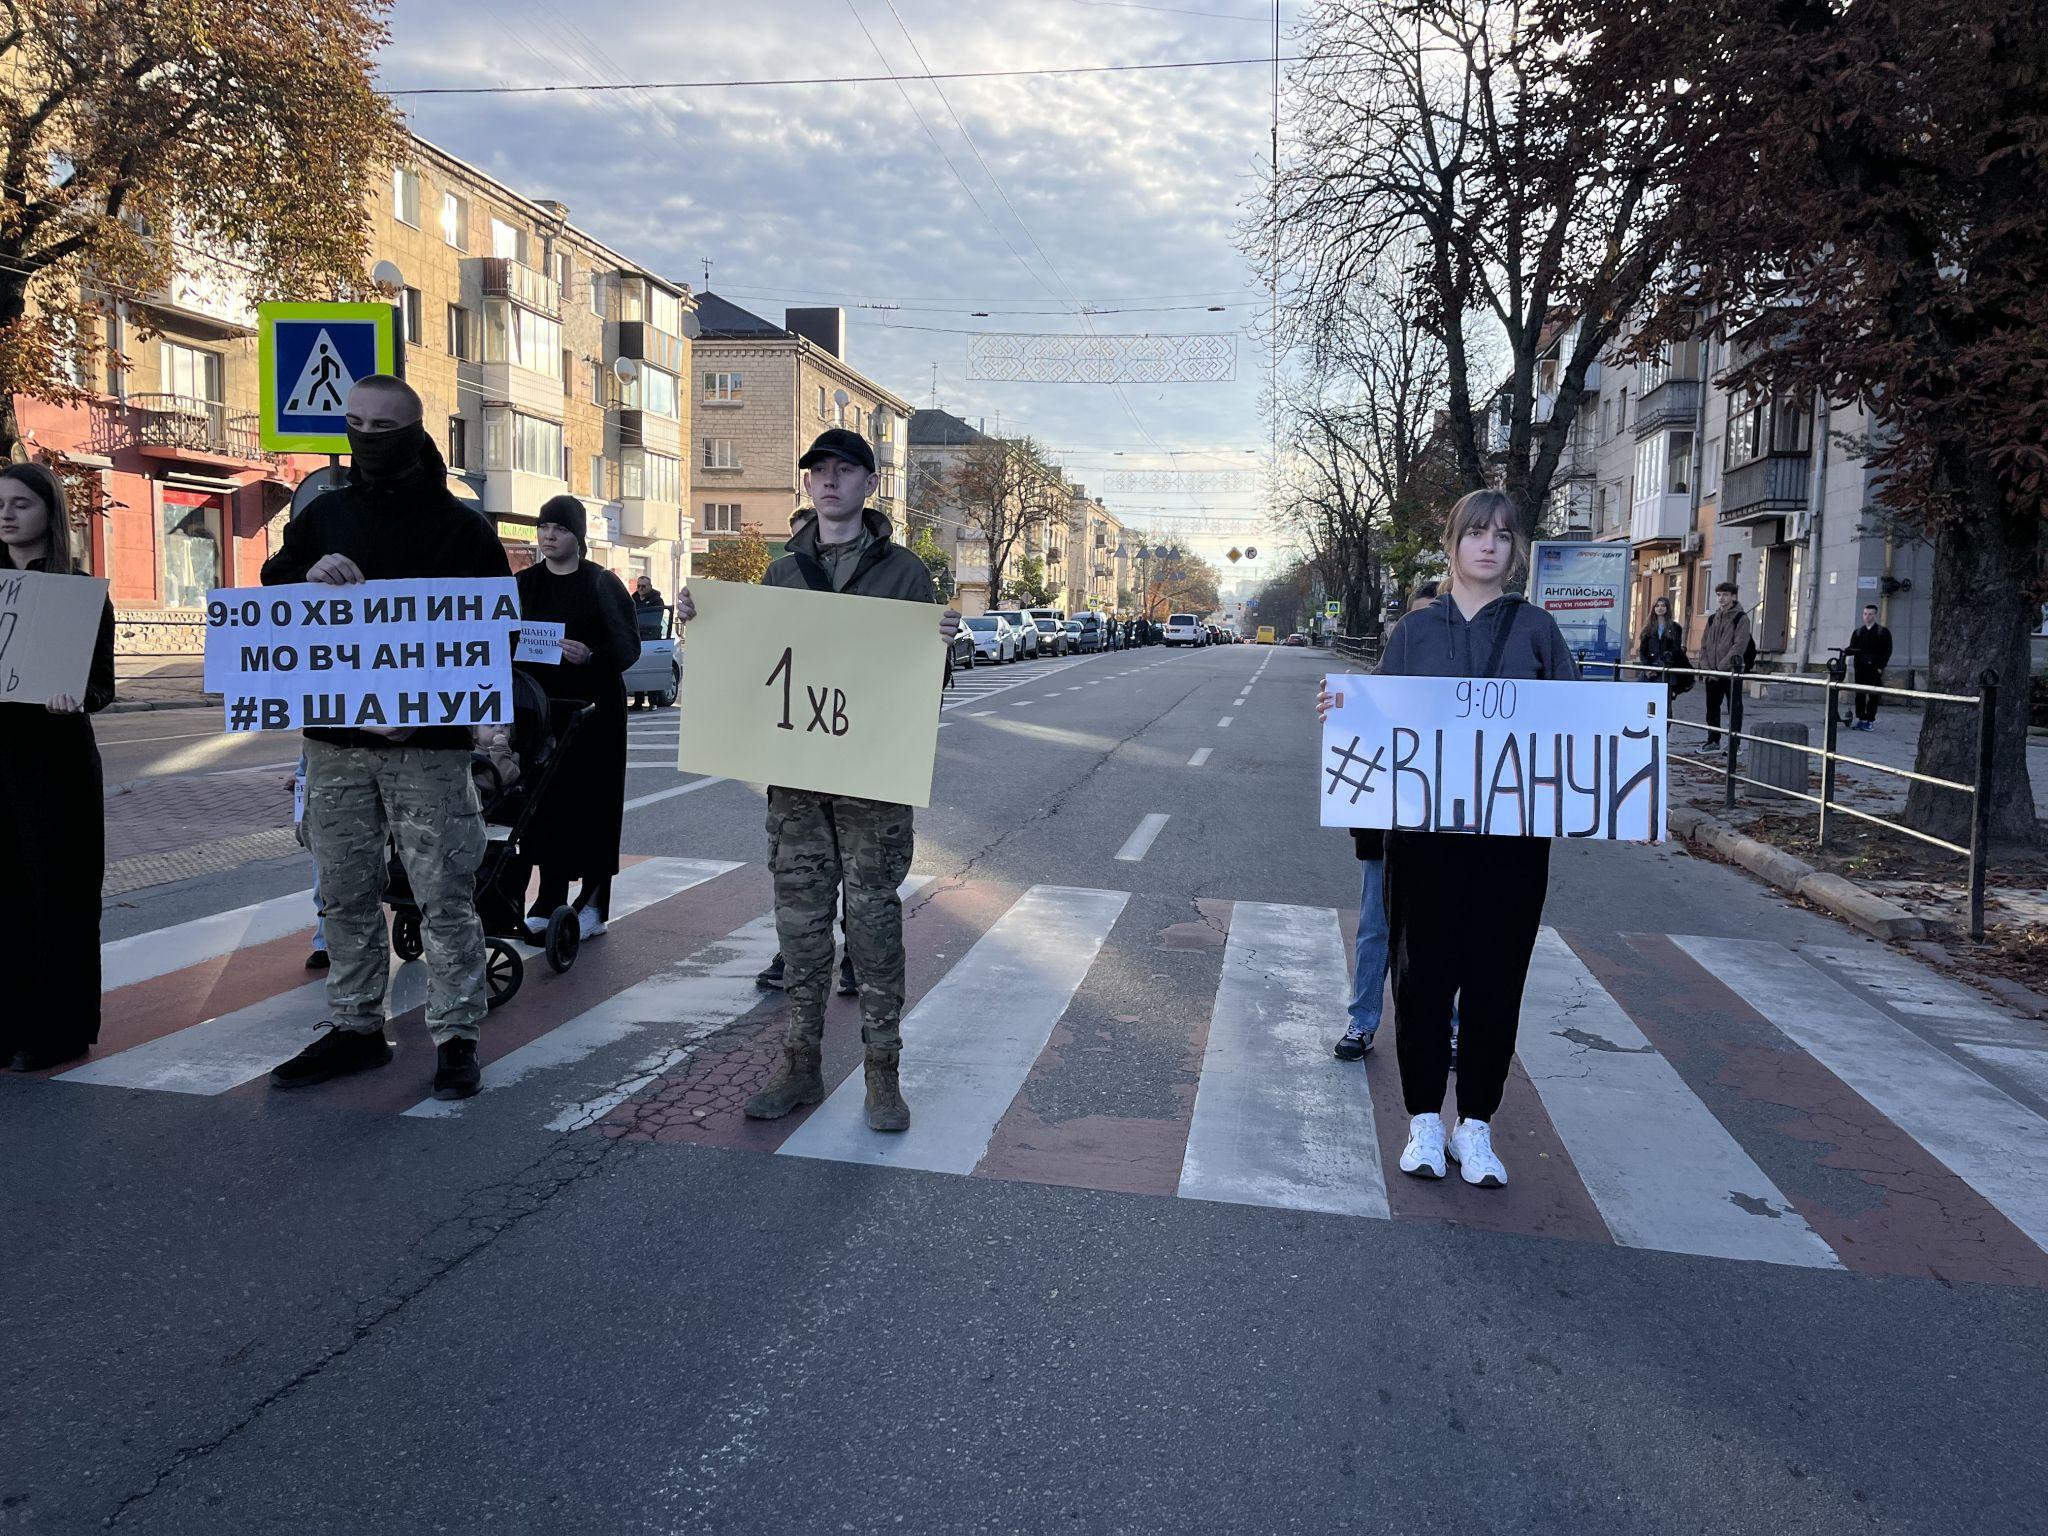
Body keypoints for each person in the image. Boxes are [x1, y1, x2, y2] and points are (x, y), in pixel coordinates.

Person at [675, 426, 960, 1133]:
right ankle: (799, 1065)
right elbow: (753, 672)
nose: (829, 481)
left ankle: (882, 1075)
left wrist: (942, 650)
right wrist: (701, 627)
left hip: (871, 786)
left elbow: (921, 687)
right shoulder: (780, 575)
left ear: (869, 485)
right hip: (798, 787)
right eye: (818, 471)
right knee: (800, 932)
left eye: (845, 470)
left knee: (872, 928)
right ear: (808, 485)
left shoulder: (905, 575)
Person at [259, 375, 511, 1102]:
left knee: (445, 893)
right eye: (356, 424)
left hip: (426, 749)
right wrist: (307, 578)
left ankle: (457, 1033)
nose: (369, 438)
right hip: (336, 743)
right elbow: (271, 602)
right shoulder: (323, 518)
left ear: (415, 431)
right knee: (343, 891)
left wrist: (429, 712)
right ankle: (355, 1027)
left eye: (385, 427)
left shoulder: (464, 530)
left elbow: (490, 637)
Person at [1322, 490, 1578, 1188]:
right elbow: (1379, 727)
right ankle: (1424, 1125)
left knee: (1498, 983)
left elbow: (1578, 731)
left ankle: (1478, 1129)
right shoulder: (1413, 634)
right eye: (1475, 533)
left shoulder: (1537, 632)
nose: (1489, 545)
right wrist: (1342, 712)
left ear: (1516, 550)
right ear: (1452, 544)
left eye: (1502, 533)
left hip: (1512, 842)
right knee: (1423, 980)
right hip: (1425, 839)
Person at [0, 464, 115, 1072]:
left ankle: (60, 1028)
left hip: (53, 761)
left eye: (22, 503)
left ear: (50, 513)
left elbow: (101, 687)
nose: (8, 513)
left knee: (59, 897)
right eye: (0, 503)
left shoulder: (78, 591)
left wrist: (73, 698)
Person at [517, 497, 640, 940]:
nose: (549, 536)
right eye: (543, 527)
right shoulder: (524, 584)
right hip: (539, 714)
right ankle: (548, 897)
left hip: (595, 716)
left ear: (578, 536)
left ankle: (593, 903)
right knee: (542, 806)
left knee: (593, 807)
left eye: (560, 529)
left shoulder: (601, 583)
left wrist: (591, 656)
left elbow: (628, 649)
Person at [1697, 581, 1753, 749]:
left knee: (1734, 708)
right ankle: (1713, 740)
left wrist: (1720, 668)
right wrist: (1706, 667)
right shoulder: (1713, 618)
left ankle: (1734, 743)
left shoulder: (1740, 618)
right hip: (1712, 672)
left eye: (1725, 595)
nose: (1721, 598)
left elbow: (1739, 645)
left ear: (1733, 597)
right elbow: (1704, 645)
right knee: (1712, 708)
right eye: (1719, 595)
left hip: (1730, 672)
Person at [1844, 603, 1893, 731]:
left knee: (1873, 695)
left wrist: (1880, 666)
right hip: (1860, 668)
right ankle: (1861, 718)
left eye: (1870, 614)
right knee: (1859, 694)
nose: (1867, 617)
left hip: (1874, 668)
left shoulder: (1882, 632)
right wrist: (1845, 651)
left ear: (1875, 615)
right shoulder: (1859, 632)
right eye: (1865, 614)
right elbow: (1853, 648)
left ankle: (1870, 720)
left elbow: (1887, 651)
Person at [1638, 594, 1692, 701]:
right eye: (1657, 606)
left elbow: (1676, 649)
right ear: (1654, 609)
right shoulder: (1648, 628)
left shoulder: (1675, 627)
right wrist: (1647, 667)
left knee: (1664, 703)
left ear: (1667, 608)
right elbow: (1642, 650)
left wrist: (1662, 664)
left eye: (1663, 605)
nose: (1660, 608)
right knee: (1645, 700)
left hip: (1666, 669)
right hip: (1650, 669)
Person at [628, 574, 666, 711]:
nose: (640, 589)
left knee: (650, 670)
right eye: (638, 586)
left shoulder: (657, 600)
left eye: (643, 586)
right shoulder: (633, 600)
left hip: (651, 638)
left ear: (650, 587)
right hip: (637, 638)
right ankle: (638, 702)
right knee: (638, 669)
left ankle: (653, 701)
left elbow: (654, 620)